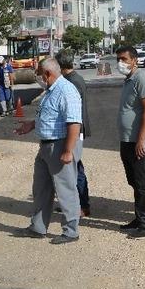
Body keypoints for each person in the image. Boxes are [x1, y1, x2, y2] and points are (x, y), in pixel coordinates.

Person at [14, 58, 83, 245]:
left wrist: (68, 151)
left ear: (47, 74)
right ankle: (38, 227)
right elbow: (51, 117)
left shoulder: (67, 91)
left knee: (66, 188)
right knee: (41, 188)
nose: (37, 76)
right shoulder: (50, 91)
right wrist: (31, 125)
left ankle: (70, 231)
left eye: (38, 73)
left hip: (60, 145)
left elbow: (74, 123)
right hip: (46, 146)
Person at [115, 46, 145, 240]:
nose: (120, 62)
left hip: (139, 142)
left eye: (124, 59)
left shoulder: (143, 79)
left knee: (144, 183)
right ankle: (140, 219)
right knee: (134, 182)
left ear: (134, 60)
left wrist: (141, 139)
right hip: (127, 140)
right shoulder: (129, 80)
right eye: (118, 59)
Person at [55, 49, 91, 218]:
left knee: (76, 171)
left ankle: (82, 206)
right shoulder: (71, 79)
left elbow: (73, 113)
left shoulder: (73, 82)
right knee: (72, 170)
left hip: (75, 131)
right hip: (73, 130)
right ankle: (72, 204)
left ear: (60, 64)